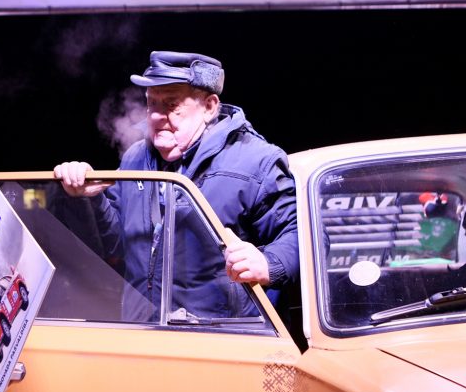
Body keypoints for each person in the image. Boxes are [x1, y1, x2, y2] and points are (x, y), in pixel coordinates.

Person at [54, 50, 298, 319]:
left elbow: (301, 234)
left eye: (171, 105)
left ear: (209, 107)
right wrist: (88, 197)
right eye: (151, 104)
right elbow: (114, 244)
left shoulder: (255, 161)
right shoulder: (135, 158)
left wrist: (269, 263)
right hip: (143, 330)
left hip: (219, 335)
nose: (156, 117)